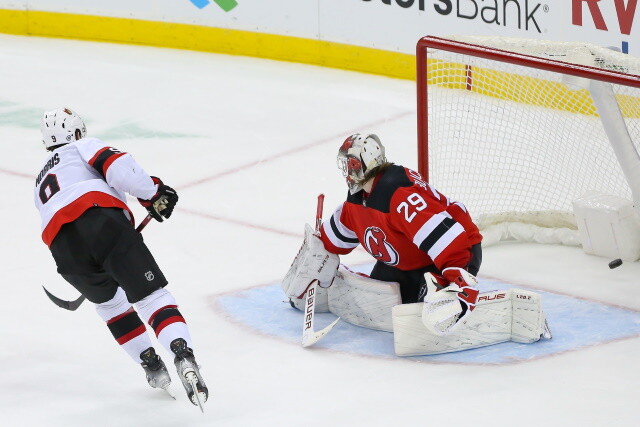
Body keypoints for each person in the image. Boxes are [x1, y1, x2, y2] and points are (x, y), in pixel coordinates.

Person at [34, 108, 207, 408]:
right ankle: (183, 354)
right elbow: (117, 168)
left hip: (63, 250)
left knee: (111, 305)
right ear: (74, 134)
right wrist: (153, 192)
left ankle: (151, 364)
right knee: (151, 297)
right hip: (100, 221)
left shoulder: (38, 182)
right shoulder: (81, 147)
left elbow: (64, 216)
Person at [284, 133, 483, 333]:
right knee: (376, 302)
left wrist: (458, 279)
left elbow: (448, 240)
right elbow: (333, 239)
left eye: (351, 164)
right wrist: (316, 258)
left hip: (457, 252)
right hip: (406, 261)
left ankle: (454, 294)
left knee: (424, 315)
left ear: (366, 163)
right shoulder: (358, 198)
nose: (346, 170)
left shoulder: (399, 194)